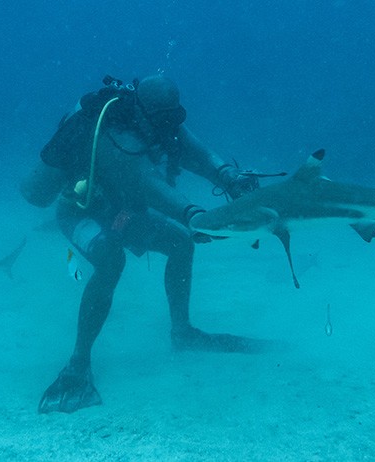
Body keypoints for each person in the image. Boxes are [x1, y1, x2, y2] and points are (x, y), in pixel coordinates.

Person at [21, 75, 263, 414]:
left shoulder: (161, 123)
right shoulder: (115, 137)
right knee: (110, 259)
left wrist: (229, 177)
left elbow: (198, 154)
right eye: (163, 119)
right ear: (143, 112)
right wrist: (192, 214)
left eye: (174, 119)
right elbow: (148, 184)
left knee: (180, 243)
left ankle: (183, 332)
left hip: (122, 211)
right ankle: (78, 362)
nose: (170, 127)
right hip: (80, 212)